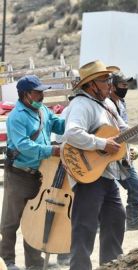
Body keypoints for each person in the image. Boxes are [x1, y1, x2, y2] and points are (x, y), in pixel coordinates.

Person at [60, 60, 138, 270]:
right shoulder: (81, 104)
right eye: (105, 80)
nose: (110, 85)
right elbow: (72, 133)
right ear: (91, 84)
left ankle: (111, 265)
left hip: (106, 174)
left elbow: (124, 133)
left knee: (115, 218)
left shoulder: (109, 105)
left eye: (109, 80)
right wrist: (102, 143)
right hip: (88, 175)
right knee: (84, 227)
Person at [0, 75, 65, 270]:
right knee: (10, 222)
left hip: (40, 174)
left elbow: (58, 124)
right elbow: (23, 145)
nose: (42, 95)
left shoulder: (43, 110)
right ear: (25, 94)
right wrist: (51, 150)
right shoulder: (16, 117)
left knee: (34, 220)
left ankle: (34, 265)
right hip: (19, 174)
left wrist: (74, 122)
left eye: (42, 92)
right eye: (37, 92)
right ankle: (7, 262)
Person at [108, 68, 138, 230]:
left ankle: (132, 221)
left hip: (123, 156)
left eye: (127, 84)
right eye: (122, 84)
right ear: (112, 86)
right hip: (108, 156)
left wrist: (129, 148)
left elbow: (124, 131)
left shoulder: (121, 103)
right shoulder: (106, 105)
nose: (125, 87)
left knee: (135, 187)